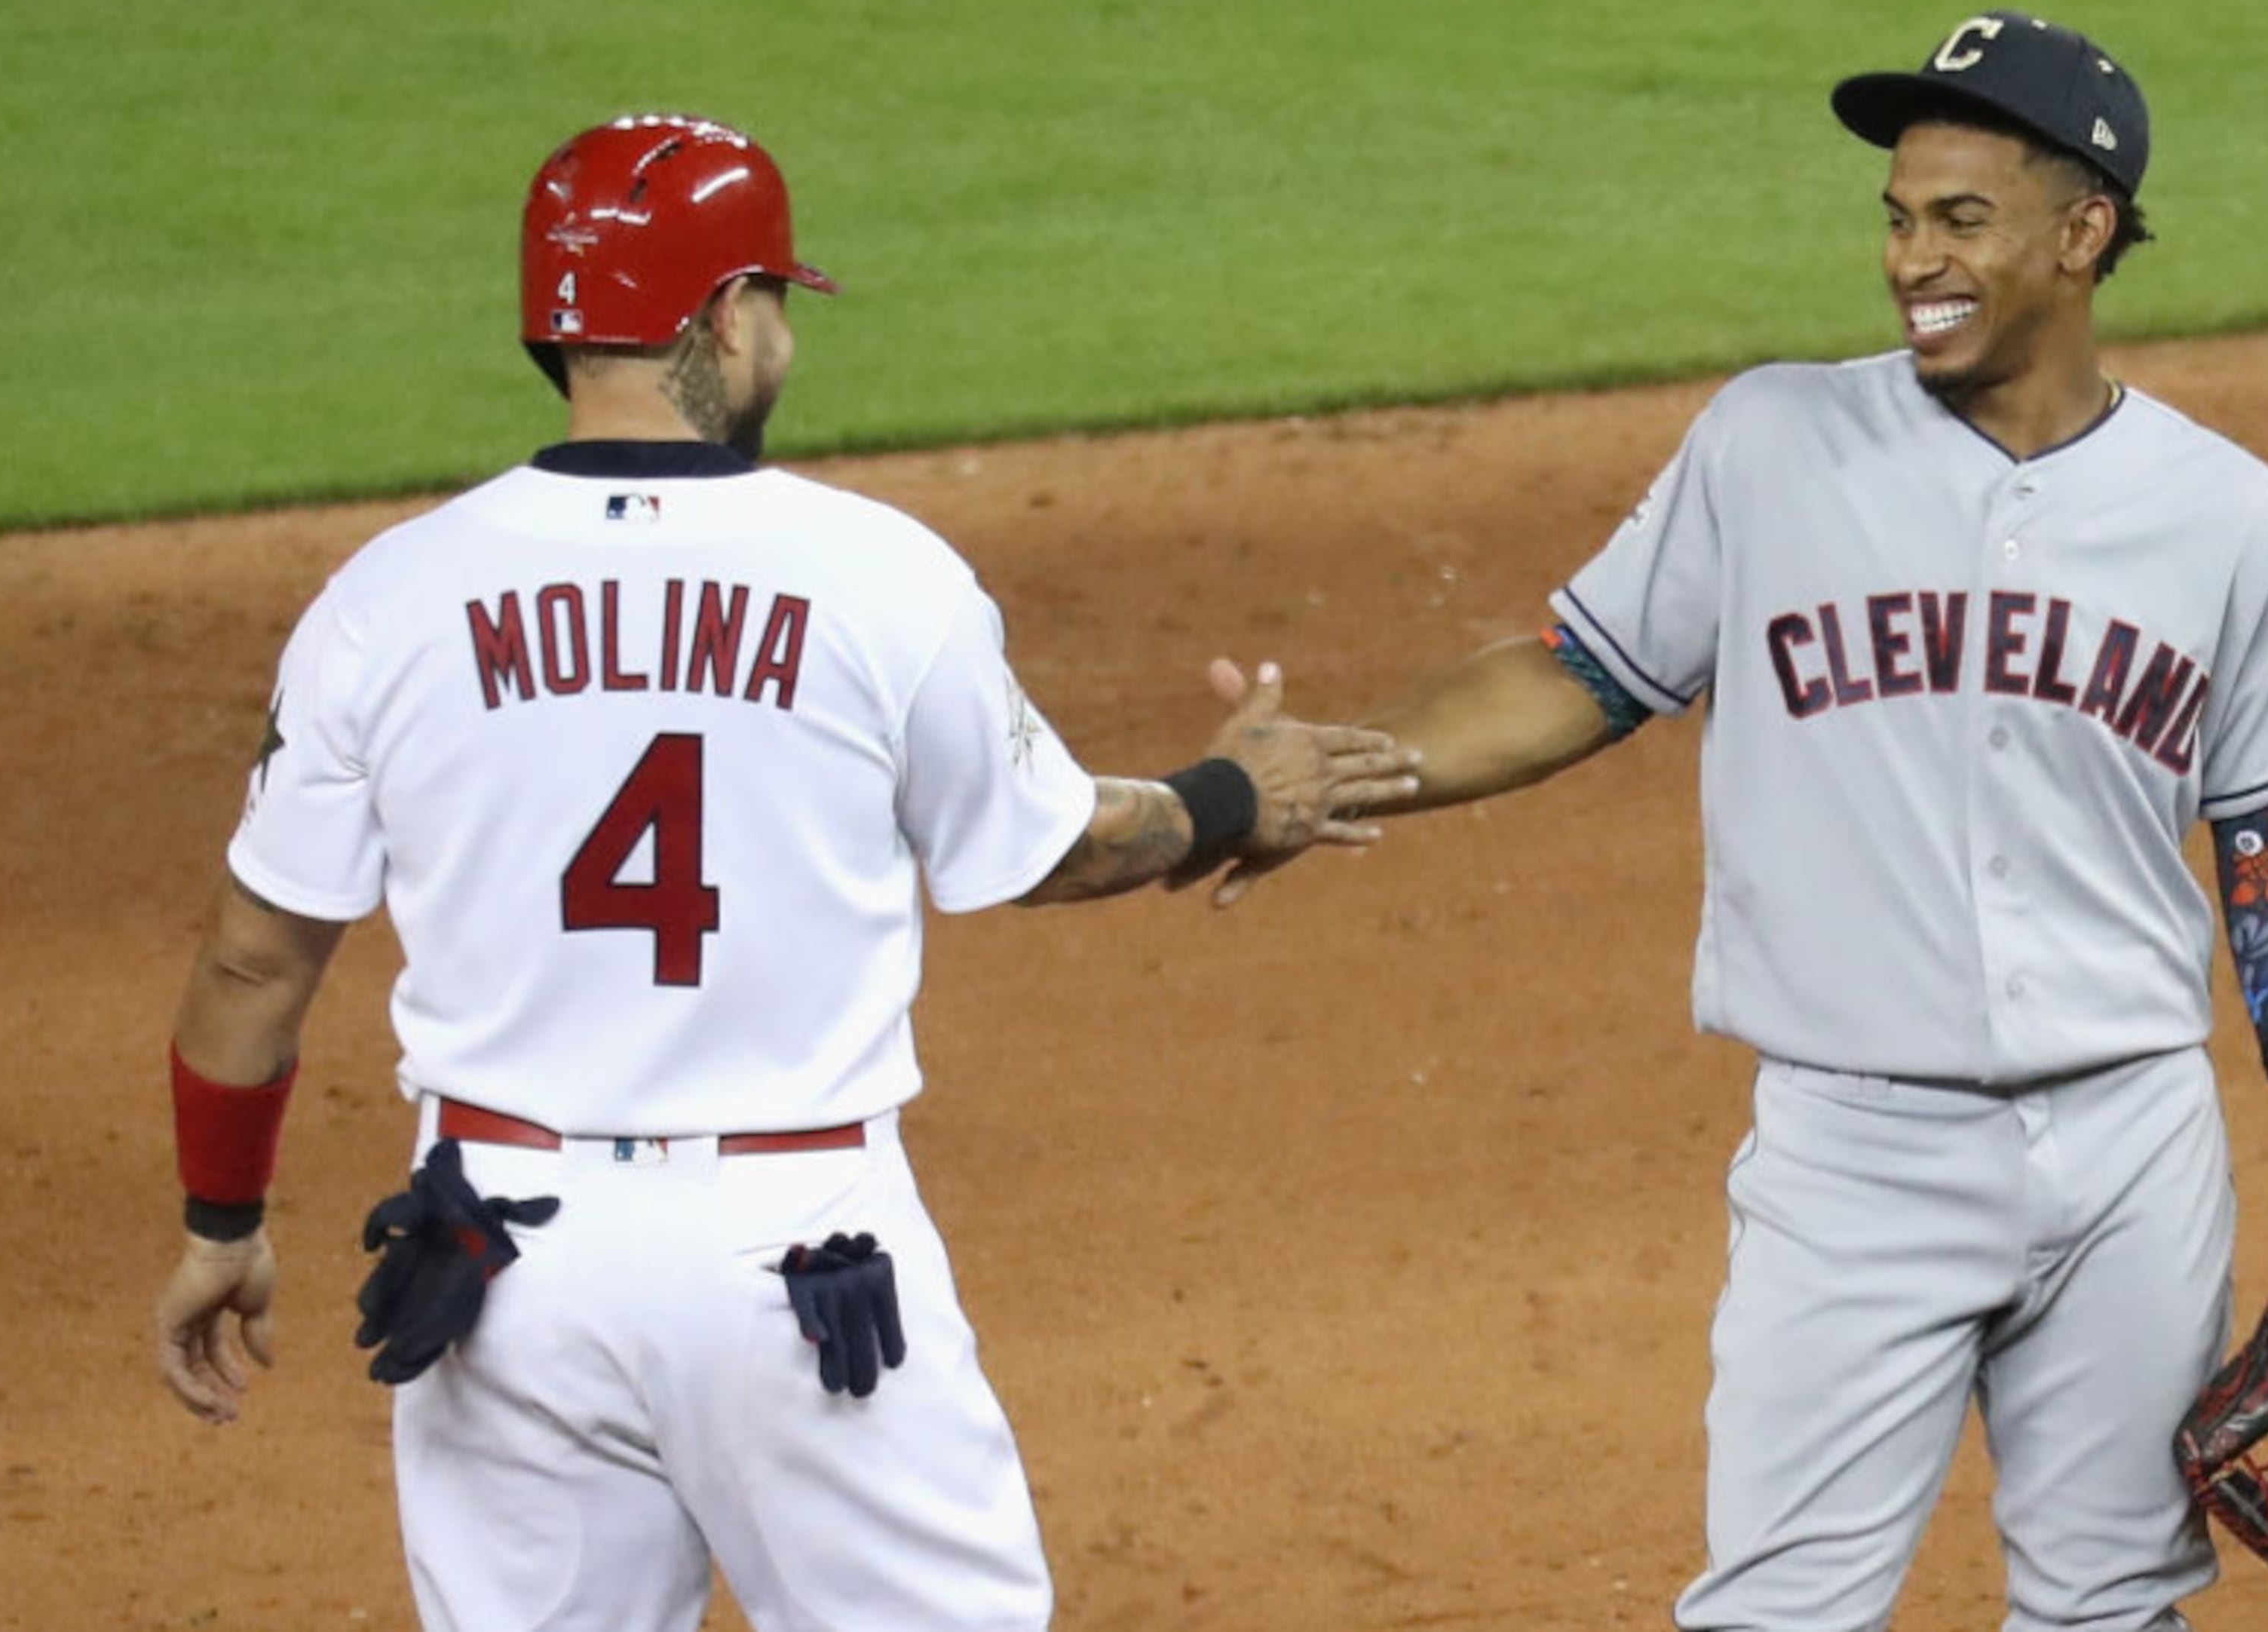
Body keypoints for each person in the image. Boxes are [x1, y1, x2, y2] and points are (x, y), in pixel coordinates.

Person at [1198, 14, 2268, 1630]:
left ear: (2084, 229)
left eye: (1961, 219)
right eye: (1899, 217)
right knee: (1778, 1610)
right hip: (1860, 1149)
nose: (1915, 255)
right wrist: (1343, 769)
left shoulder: (2227, 515)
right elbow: (1579, 672)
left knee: (2114, 1602)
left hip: (2134, 1142)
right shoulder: (1772, 440)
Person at [149, 112, 1418, 1632]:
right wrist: (1230, 796)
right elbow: (1052, 842)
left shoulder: (388, 597)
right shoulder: (879, 576)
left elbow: (248, 965)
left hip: (497, 1257)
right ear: (718, 319)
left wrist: (221, 1224)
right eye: (773, 307)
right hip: (795, 1253)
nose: (778, 343)